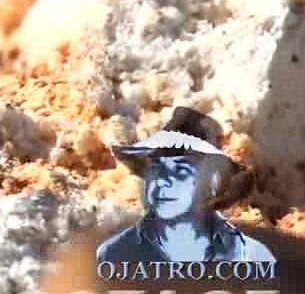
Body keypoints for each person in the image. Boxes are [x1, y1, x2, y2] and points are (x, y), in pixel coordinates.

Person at [97, 107, 276, 264]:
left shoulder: (248, 256)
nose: (163, 182)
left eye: (180, 172)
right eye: (157, 170)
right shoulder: (115, 254)